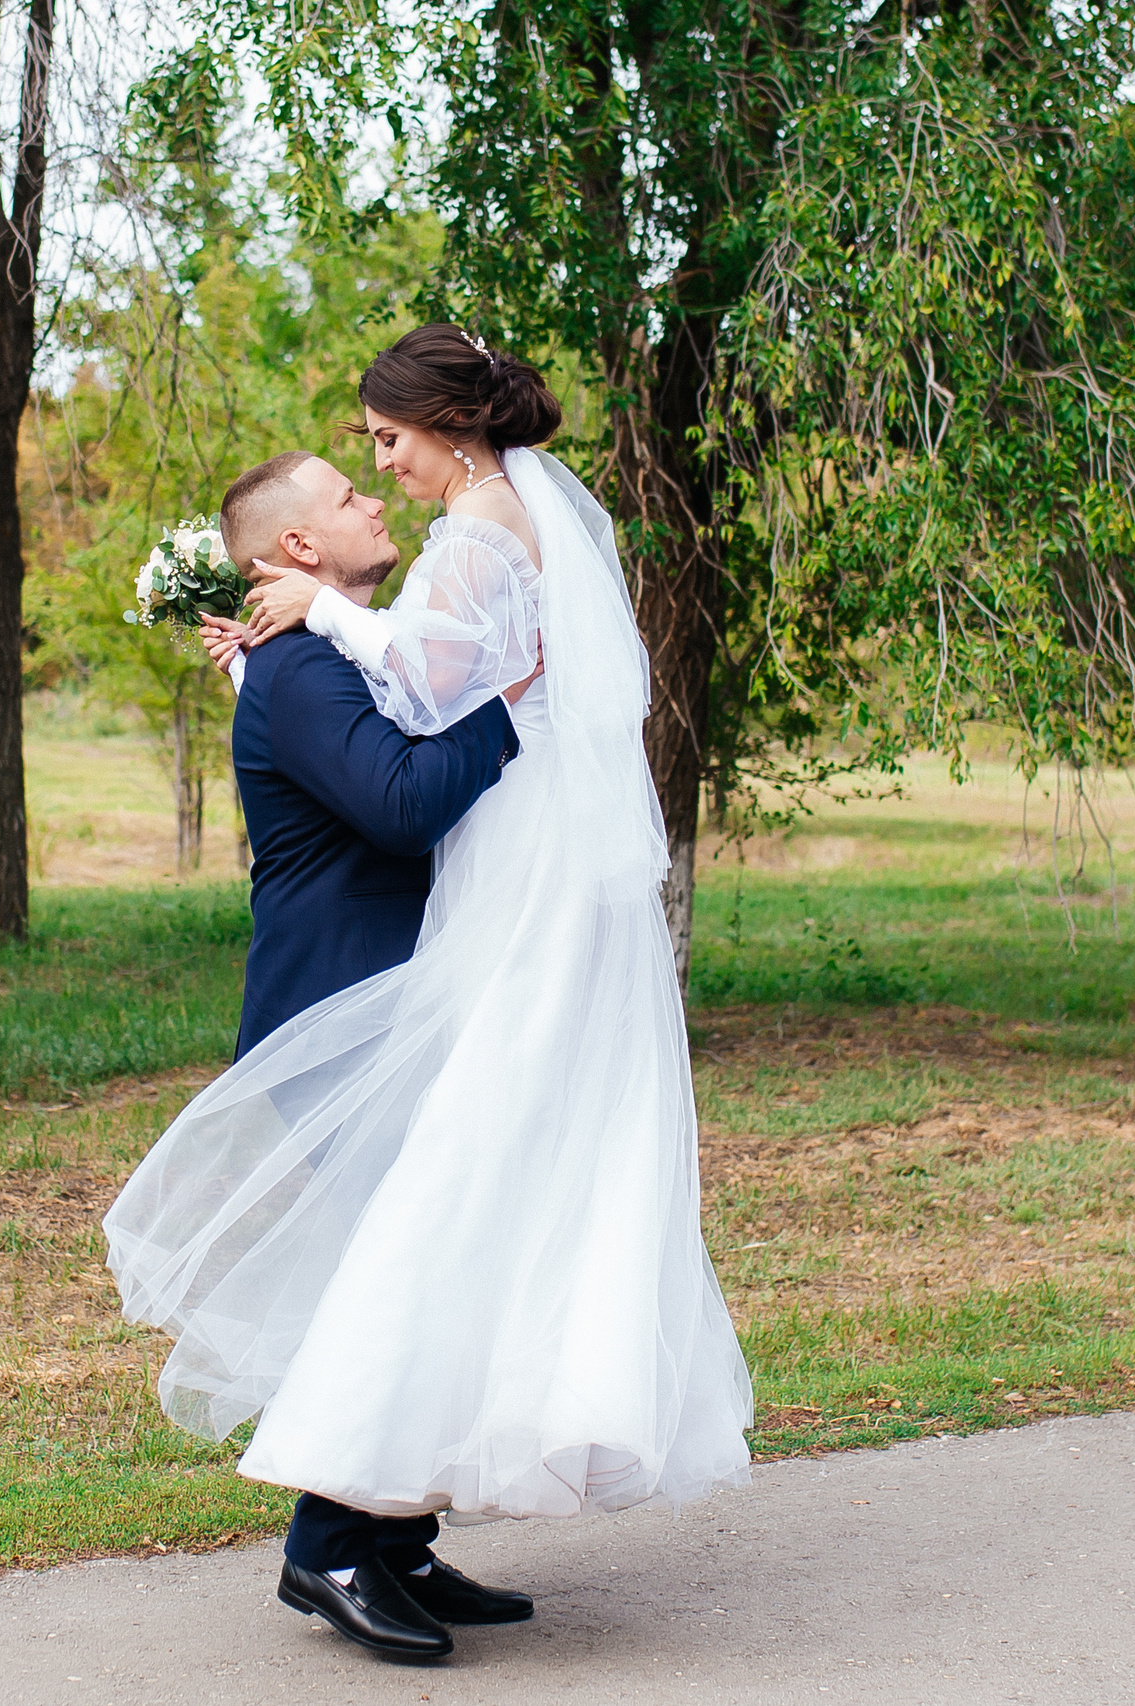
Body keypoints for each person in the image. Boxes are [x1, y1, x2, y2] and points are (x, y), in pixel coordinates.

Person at [103, 326, 752, 1666]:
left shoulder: (423, 572)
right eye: (354, 477)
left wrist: (342, 634)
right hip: (346, 993)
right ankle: (336, 1544)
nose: (376, 476)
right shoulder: (342, 629)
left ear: (448, 429)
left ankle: (390, 1539)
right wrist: (493, 701)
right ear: (296, 549)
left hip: (463, 941)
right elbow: (403, 786)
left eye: (383, 447)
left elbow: (414, 686)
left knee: (466, 1223)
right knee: (431, 1231)